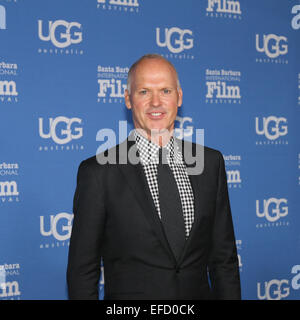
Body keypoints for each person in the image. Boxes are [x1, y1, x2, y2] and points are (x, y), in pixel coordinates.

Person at [67, 54, 241, 300]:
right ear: (128, 99)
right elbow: (82, 272)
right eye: (144, 92)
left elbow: (224, 260)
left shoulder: (210, 164)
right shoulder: (98, 173)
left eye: (166, 91)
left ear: (179, 97)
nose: (156, 102)